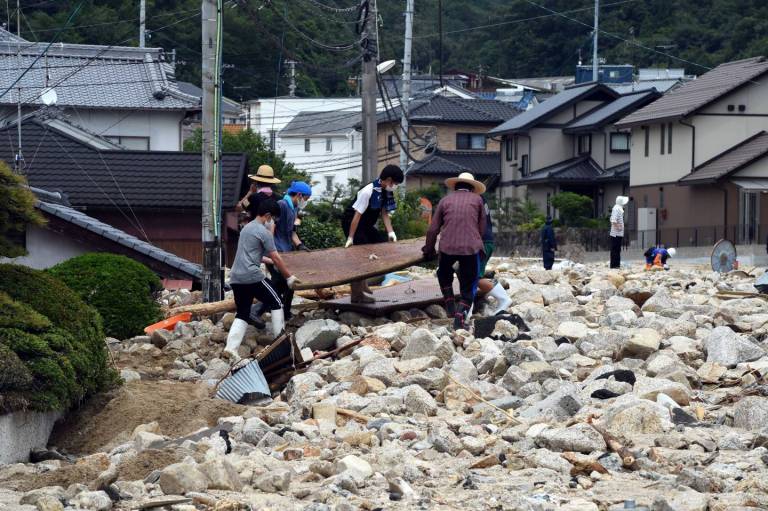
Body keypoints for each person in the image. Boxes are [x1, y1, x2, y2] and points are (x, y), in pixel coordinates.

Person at [225, 199, 300, 364]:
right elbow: (275, 256)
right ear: (267, 216)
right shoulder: (264, 232)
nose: (273, 222)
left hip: (236, 277)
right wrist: (289, 277)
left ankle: (231, 348)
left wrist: (274, 262)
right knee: (277, 301)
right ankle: (281, 342)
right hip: (252, 275)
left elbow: (257, 255)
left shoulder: (247, 228)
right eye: (273, 219)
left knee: (243, 312)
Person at [422, 172, 487, 330]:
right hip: (470, 248)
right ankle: (459, 320)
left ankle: (450, 303)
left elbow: (433, 230)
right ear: (472, 188)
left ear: (455, 187)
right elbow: (482, 229)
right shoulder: (478, 200)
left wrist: (428, 249)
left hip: (447, 247)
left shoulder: (445, 200)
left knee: (443, 274)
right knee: (468, 284)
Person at [342, 164, 404, 302]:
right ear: (388, 180)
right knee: (360, 253)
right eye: (395, 183)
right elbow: (356, 216)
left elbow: (384, 213)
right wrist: (351, 237)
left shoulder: (386, 191)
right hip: (351, 222)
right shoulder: (368, 191)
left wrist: (391, 232)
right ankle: (356, 293)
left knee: (380, 244)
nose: (395, 186)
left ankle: (363, 284)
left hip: (365, 225)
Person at [259, 181, 312, 322]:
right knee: (279, 282)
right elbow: (271, 227)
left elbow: (292, 233)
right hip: (275, 252)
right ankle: (259, 310)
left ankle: (285, 312)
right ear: (299, 195)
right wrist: (271, 250)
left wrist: (300, 245)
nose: (305, 202)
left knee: (290, 284)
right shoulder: (282, 205)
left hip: (286, 251)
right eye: (306, 199)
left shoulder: (294, 208)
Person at [475, 194, 512, 315]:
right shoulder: (480, 198)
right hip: (486, 241)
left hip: (481, 242)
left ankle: (504, 299)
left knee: (474, 278)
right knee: (471, 275)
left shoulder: (474, 200)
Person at [610, 196, 629, 269]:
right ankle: (614, 265)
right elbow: (613, 220)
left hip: (618, 233)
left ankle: (616, 265)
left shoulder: (617, 208)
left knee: (617, 249)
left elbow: (611, 218)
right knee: (615, 249)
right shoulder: (616, 209)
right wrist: (619, 227)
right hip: (616, 234)